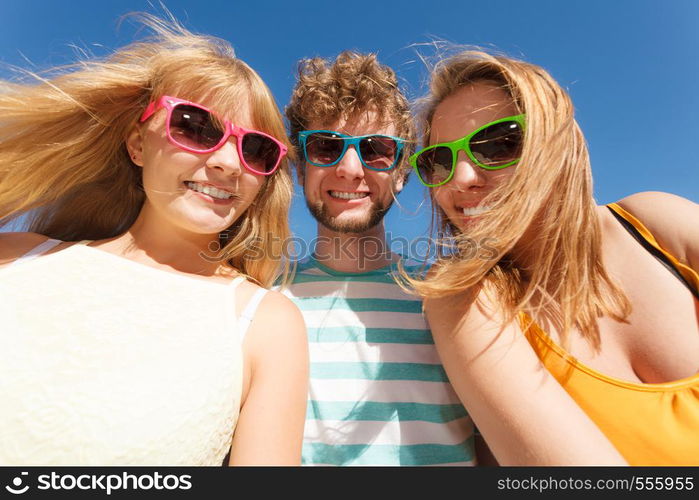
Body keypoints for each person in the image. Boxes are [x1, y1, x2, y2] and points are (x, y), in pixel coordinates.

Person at [0, 14, 308, 466]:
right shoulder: (18, 257)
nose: (227, 162)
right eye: (197, 126)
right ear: (137, 144)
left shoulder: (266, 325)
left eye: (257, 149)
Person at [405, 49, 699, 465]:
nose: (463, 178)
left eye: (499, 144)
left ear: (557, 144)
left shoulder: (657, 224)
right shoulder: (465, 299)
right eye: (439, 160)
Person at [282, 51, 475, 466]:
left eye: (376, 149)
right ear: (300, 168)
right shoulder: (263, 298)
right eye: (325, 146)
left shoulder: (451, 295)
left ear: (402, 172)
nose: (350, 168)